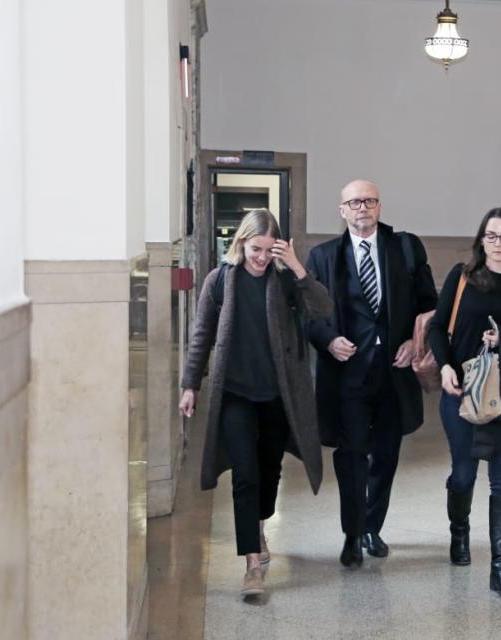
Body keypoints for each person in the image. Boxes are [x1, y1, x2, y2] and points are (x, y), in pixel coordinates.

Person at [178, 209, 333, 597]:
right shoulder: (220, 281)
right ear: (241, 243)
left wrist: (297, 267)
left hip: (278, 395)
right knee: (244, 475)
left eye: (268, 249)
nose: (261, 257)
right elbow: (201, 337)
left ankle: (261, 523)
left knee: (269, 471)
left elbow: (323, 309)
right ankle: (252, 561)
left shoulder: (285, 282)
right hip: (235, 395)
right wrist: (190, 385)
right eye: (254, 248)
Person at [305, 179, 437, 567]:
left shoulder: (405, 248)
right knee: (351, 456)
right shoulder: (323, 257)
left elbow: (430, 304)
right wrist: (328, 341)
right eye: (354, 202)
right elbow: (309, 317)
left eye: (370, 201)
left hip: (394, 376)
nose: (363, 207)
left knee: (386, 455)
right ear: (342, 210)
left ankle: (371, 526)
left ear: (379, 207)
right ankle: (352, 532)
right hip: (347, 377)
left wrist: (416, 342)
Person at [427, 207, 501, 599]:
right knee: (464, 473)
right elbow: (439, 327)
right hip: (462, 393)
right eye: (490, 236)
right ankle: (460, 532)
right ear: (481, 241)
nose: (497, 244)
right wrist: (444, 368)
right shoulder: (462, 278)